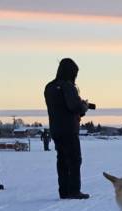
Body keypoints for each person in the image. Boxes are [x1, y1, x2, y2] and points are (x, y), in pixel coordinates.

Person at [44, 58, 92, 199]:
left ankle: (64, 191)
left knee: (62, 160)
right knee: (74, 159)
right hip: (69, 129)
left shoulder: (49, 87)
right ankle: (74, 191)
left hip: (56, 129)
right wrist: (84, 106)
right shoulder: (68, 86)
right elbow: (74, 106)